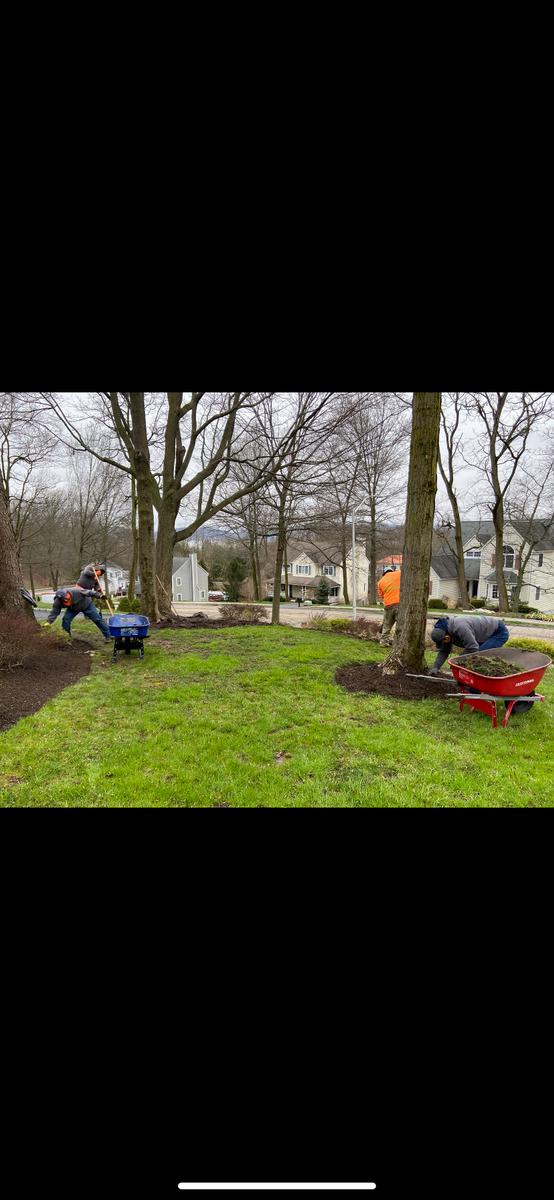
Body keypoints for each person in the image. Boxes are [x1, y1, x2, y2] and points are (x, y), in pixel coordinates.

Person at [429, 614, 510, 675]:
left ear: (447, 637)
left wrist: (456, 661)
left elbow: (473, 648)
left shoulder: (461, 628)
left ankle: (478, 688)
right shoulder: (446, 630)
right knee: (475, 659)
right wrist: (435, 667)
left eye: (443, 642)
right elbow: (444, 652)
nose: (443, 644)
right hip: (483, 634)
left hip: (498, 632)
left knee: (480, 656)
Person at [45, 586, 112, 642]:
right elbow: (54, 612)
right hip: (73, 609)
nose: (64, 600)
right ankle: (67, 638)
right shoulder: (58, 602)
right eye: (62, 599)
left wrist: (99, 596)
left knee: (97, 619)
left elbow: (89, 592)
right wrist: (48, 622)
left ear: (67, 593)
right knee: (66, 620)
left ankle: (108, 635)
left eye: (65, 598)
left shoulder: (76, 591)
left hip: (87, 605)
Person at [377, 564, 401, 647]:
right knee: (401, 626)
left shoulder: (380, 582)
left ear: (384, 573)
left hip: (388, 606)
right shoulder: (399, 573)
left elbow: (382, 596)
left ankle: (383, 643)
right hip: (399, 605)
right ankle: (400, 644)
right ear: (391, 571)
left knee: (386, 626)